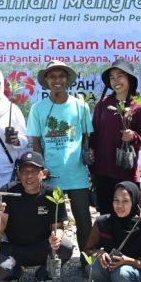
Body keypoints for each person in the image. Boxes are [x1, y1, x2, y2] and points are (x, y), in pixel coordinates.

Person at [27, 60, 94, 269]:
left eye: (61, 76)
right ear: (46, 81)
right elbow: (36, 142)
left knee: (84, 222)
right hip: (50, 175)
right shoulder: (38, 109)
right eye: (52, 76)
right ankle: (49, 262)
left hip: (77, 175)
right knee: (50, 222)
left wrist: (87, 155)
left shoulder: (80, 106)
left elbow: (85, 137)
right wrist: (41, 170)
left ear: (67, 80)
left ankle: (87, 263)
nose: (57, 80)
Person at [0, 151, 75, 282]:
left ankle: (43, 276)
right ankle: (14, 273)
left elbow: (59, 227)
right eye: (24, 171)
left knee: (66, 246)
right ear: (19, 174)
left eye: (34, 171)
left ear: (43, 173)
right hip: (14, 248)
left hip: (42, 247)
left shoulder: (54, 194)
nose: (29, 176)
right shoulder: (7, 191)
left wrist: (56, 237)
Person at [90, 60, 141, 215]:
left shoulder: (139, 107)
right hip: (103, 171)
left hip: (126, 172)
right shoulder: (103, 104)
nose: (116, 81)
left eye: (120, 76)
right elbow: (94, 136)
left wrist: (133, 136)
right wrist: (92, 168)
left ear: (130, 79)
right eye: (112, 77)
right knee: (105, 216)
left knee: (128, 218)